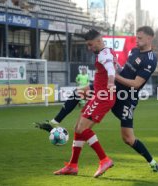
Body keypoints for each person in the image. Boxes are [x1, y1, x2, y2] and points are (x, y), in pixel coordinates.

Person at [35, 26, 158, 173]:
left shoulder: (150, 60)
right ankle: (58, 132)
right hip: (111, 89)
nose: (137, 40)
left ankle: (153, 163)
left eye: (140, 38)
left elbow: (136, 84)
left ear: (149, 38)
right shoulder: (133, 51)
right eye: (137, 37)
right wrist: (115, 72)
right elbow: (123, 70)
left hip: (126, 98)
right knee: (78, 100)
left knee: (128, 138)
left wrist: (113, 76)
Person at [53, 29, 117, 178]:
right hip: (98, 96)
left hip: (103, 97)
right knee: (78, 128)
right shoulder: (105, 53)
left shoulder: (104, 54)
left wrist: (111, 82)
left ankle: (104, 160)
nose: (89, 48)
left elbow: (111, 69)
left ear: (99, 41)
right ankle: (72, 165)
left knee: (82, 129)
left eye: (90, 44)